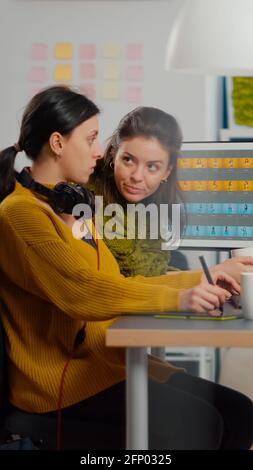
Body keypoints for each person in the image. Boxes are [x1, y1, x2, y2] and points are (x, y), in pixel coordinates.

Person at [0, 86, 252, 450]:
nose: (100, 151)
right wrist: (180, 298)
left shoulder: (69, 206)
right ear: (57, 143)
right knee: (203, 425)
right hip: (63, 384)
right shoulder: (22, 214)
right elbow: (84, 291)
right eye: (90, 139)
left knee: (240, 411)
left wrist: (208, 276)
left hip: (105, 363)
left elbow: (116, 281)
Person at [90, 107, 253, 282]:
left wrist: (213, 279)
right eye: (128, 160)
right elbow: (130, 278)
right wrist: (211, 274)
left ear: (167, 172)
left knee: (179, 261)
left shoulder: (155, 206)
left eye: (152, 167)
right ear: (114, 155)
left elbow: (153, 273)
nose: (137, 176)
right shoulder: (87, 197)